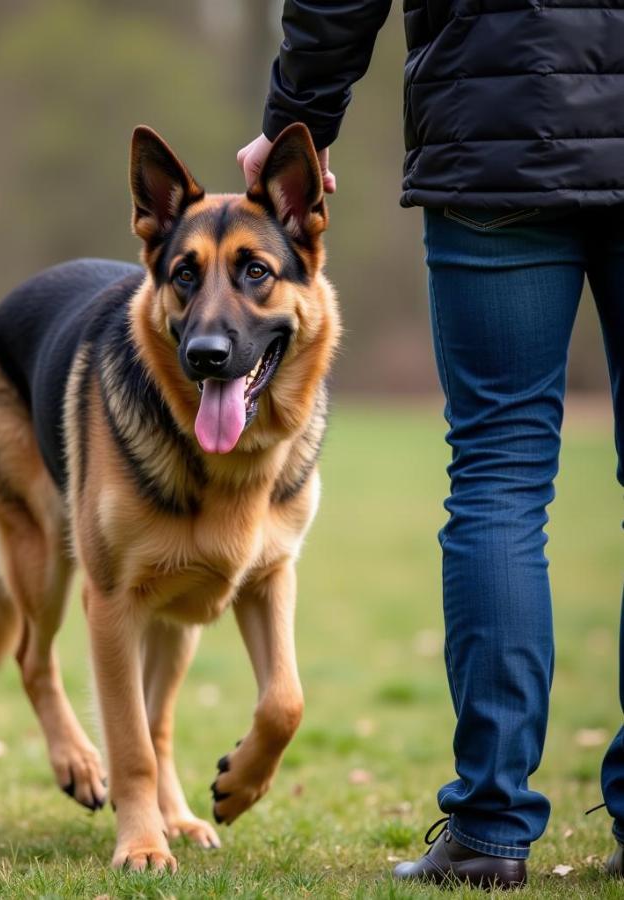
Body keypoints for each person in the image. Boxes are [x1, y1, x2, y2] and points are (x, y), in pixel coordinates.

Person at [238, 0, 624, 888]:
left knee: (499, 476)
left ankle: (491, 830)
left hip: (498, 134)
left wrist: (298, 120)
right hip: (502, 133)